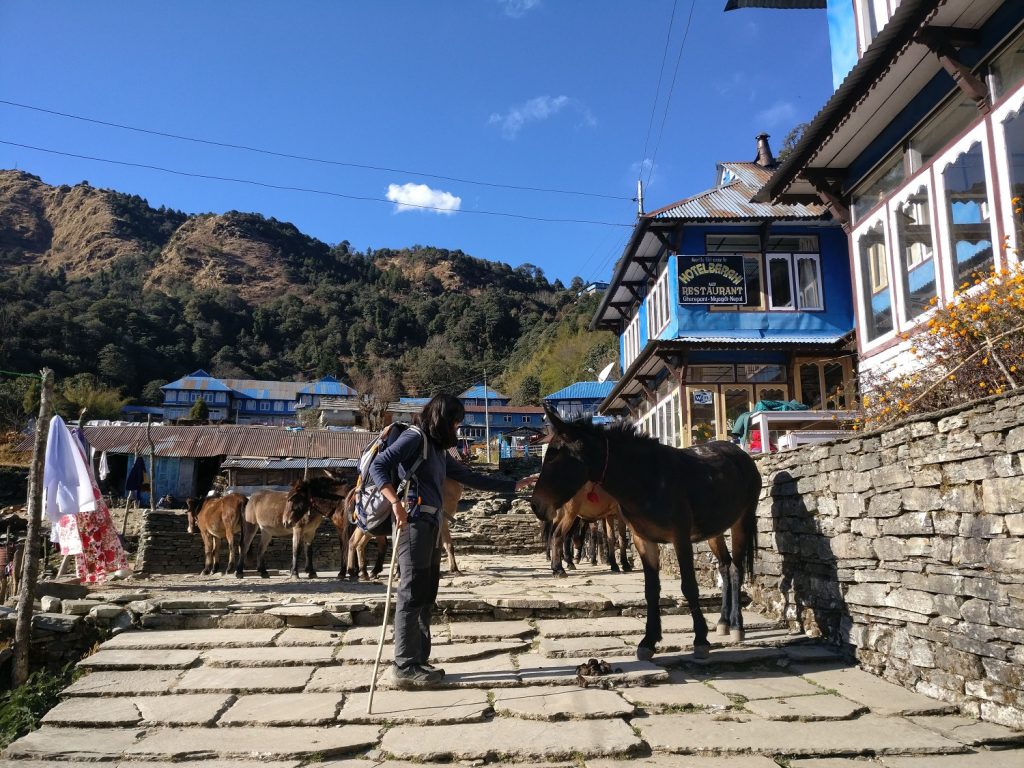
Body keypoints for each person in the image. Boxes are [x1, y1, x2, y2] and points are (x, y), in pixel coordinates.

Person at [369, 393, 523, 688]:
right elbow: (379, 466)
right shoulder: (415, 438)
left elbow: (472, 478)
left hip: (431, 523)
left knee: (427, 594)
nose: (457, 429)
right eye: (455, 422)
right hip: (412, 522)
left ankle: (419, 660)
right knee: (411, 592)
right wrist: (396, 503)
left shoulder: (438, 451)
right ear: (442, 419)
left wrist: (515, 485)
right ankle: (403, 665)